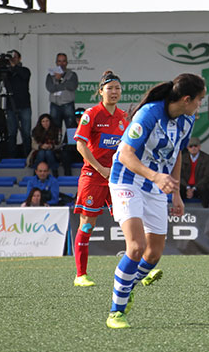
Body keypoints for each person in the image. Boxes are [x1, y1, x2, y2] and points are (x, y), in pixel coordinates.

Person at [106, 74, 205, 328]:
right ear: (186, 99)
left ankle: (127, 287)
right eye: (199, 100)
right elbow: (126, 154)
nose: (200, 105)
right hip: (127, 181)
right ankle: (116, 312)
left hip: (156, 186)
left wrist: (176, 192)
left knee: (153, 254)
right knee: (136, 247)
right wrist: (156, 177)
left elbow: (178, 155)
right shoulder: (149, 114)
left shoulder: (187, 120)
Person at [72, 70, 129, 288]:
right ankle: (81, 275)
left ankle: (139, 271)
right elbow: (80, 145)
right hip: (92, 176)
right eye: (110, 88)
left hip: (115, 177)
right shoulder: (92, 114)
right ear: (101, 91)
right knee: (87, 225)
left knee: (129, 222)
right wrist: (100, 168)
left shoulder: (124, 117)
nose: (114, 92)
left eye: (117, 88)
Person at [0, 49, 32, 158]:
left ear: (19, 59)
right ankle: (12, 158)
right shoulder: (6, 72)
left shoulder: (24, 70)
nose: (13, 60)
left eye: (15, 57)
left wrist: (13, 66)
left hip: (24, 105)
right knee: (11, 133)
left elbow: (24, 76)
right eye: (11, 58)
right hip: (11, 106)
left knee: (26, 133)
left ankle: (28, 157)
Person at [45, 53, 79, 129]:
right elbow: (50, 88)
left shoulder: (72, 74)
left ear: (67, 62)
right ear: (56, 62)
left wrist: (59, 80)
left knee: (71, 128)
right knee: (54, 129)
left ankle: (70, 141)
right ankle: (56, 141)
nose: (61, 64)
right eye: (59, 61)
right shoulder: (50, 75)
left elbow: (72, 86)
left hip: (68, 104)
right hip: (54, 105)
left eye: (63, 61)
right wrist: (64, 85)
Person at [179, 137, 209, 208]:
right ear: (187, 148)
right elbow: (179, 175)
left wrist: (194, 188)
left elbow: (207, 176)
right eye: (191, 146)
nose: (193, 148)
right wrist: (188, 188)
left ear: (199, 147)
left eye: (195, 146)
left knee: (205, 189)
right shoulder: (182, 158)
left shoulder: (207, 158)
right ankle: (179, 212)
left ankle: (205, 211)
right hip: (185, 185)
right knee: (178, 189)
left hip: (200, 186)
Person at [60, 107, 85, 176]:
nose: (79, 120)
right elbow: (65, 143)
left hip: (85, 152)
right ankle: (67, 175)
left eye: (81, 118)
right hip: (74, 152)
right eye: (77, 119)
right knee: (65, 154)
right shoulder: (70, 128)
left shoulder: (90, 128)